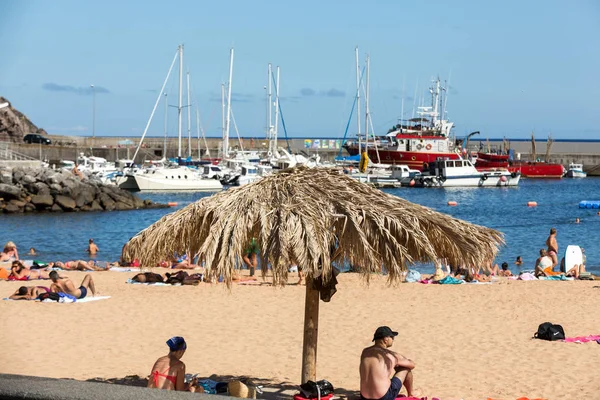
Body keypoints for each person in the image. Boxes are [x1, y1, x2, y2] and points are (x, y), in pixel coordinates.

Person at [360, 326, 416, 400]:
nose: (393, 339)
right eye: (392, 337)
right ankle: (411, 393)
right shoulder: (390, 355)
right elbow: (412, 365)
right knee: (405, 368)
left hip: (364, 397)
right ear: (385, 339)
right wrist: (403, 361)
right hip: (384, 397)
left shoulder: (365, 352)